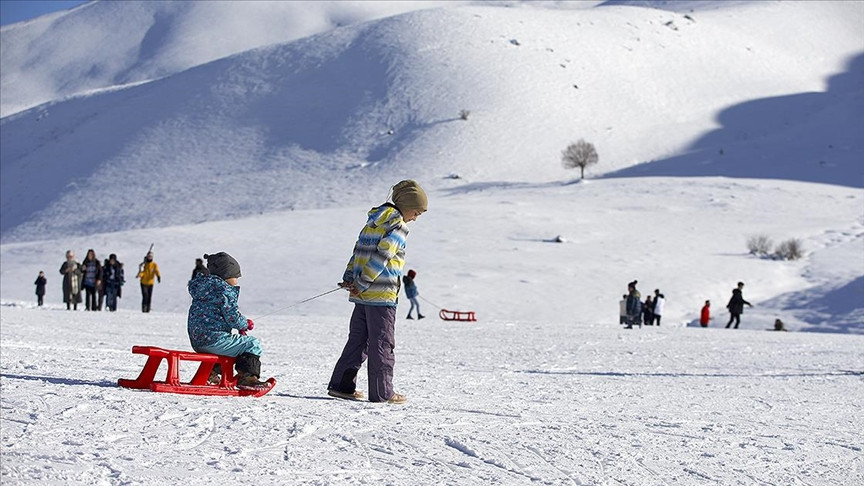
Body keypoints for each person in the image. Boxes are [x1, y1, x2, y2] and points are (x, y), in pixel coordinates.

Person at [328, 180, 427, 404]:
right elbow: (383, 257)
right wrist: (362, 282)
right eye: (416, 212)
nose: (415, 217)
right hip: (381, 296)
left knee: (358, 340)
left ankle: (342, 386)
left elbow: (358, 251)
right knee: (382, 342)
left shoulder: (372, 223)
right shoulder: (398, 226)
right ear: (406, 205)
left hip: (362, 294)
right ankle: (383, 392)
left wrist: (350, 278)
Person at [187, 252, 270, 390]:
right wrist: (245, 324)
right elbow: (232, 317)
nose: (236, 281)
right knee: (252, 344)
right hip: (214, 340)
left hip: (198, 341)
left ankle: (210, 374)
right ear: (225, 276)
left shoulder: (203, 288)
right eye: (235, 277)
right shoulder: (224, 290)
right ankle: (248, 378)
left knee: (229, 345)